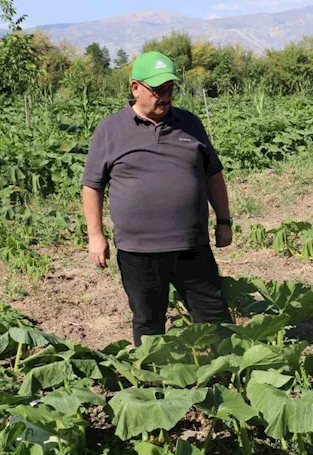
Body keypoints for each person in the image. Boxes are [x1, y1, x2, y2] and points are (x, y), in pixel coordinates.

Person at [81, 51, 234, 347]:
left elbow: (213, 175)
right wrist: (95, 235)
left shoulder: (189, 123)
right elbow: (92, 186)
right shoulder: (110, 129)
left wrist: (224, 221)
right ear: (135, 87)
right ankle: (153, 388)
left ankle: (227, 378)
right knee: (149, 321)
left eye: (170, 89)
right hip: (139, 250)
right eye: (157, 90)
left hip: (191, 245)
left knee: (215, 317)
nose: (165, 97)